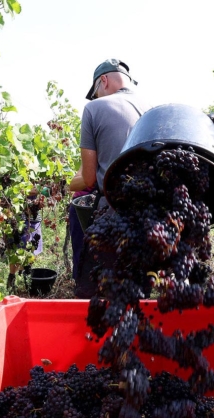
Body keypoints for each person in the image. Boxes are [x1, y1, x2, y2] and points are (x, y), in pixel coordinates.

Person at [69, 59, 151, 298]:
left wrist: (67, 184)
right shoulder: (153, 109)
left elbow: (88, 179)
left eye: (95, 92)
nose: (95, 97)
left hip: (112, 218)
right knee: (136, 299)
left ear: (103, 80)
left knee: (95, 296)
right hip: (148, 223)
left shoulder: (94, 108)